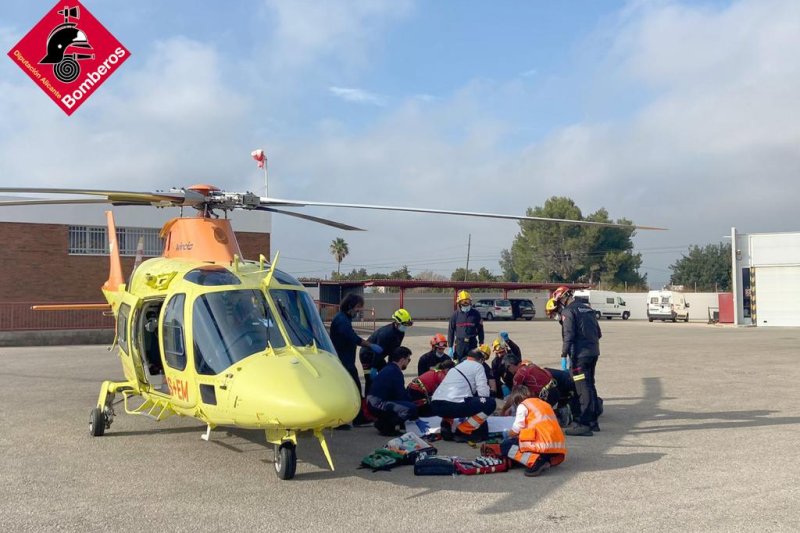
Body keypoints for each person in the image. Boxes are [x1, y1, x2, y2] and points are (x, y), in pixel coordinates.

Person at [550, 285, 602, 436]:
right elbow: (598, 333)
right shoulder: (587, 309)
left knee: (581, 388)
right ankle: (593, 422)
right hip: (593, 353)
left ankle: (584, 424)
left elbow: (569, 335)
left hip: (579, 357)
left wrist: (563, 354)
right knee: (590, 385)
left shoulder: (568, 312)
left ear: (563, 299)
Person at [329, 293, 384, 428]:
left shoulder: (344, 318)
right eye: (358, 307)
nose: (359, 310)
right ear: (350, 306)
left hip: (345, 360)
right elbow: (353, 338)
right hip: (343, 362)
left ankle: (346, 419)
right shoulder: (341, 320)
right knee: (353, 390)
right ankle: (354, 419)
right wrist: (370, 345)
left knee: (349, 390)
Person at [430, 347, 497, 443]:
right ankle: (463, 431)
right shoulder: (478, 366)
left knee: (454, 400)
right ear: (481, 360)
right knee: (490, 403)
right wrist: (482, 404)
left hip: (436, 404)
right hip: (453, 405)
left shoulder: (455, 368)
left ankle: (446, 426)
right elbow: (483, 392)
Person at [500, 385, 567, 477]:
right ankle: (545, 460)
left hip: (540, 446)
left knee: (506, 446)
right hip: (555, 449)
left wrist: (507, 433)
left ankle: (535, 461)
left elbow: (516, 429)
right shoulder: (545, 404)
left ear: (517, 399)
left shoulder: (523, 405)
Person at [359, 308, 413, 396]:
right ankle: (368, 399)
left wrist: (394, 365)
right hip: (367, 355)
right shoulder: (386, 334)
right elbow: (377, 353)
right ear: (397, 323)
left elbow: (394, 350)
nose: (406, 326)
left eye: (408, 324)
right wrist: (373, 368)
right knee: (370, 380)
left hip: (380, 355)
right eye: (404, 324)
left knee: (387, 375)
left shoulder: (400, 332)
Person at [366, 347, 417, 436]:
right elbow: (400, 395)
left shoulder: (387, 368)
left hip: (372, 403)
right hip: (378, 404)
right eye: (408, 360)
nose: (408, 362)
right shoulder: (395, 372)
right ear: (402, 360)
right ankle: (386, 425)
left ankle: (384, 422)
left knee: (403, 405)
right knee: (411, 408)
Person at [447, 290, 484, 362]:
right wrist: (450, 346)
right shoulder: (455, 315)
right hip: (460, 344)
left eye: (467, 301)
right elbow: (451, 331)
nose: (466, 304)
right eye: (464, 302)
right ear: (459, 303)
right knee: (460, 363)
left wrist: (481, 342)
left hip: (472, 343)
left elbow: (480, 329)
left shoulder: (476, 314)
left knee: (473, 362)